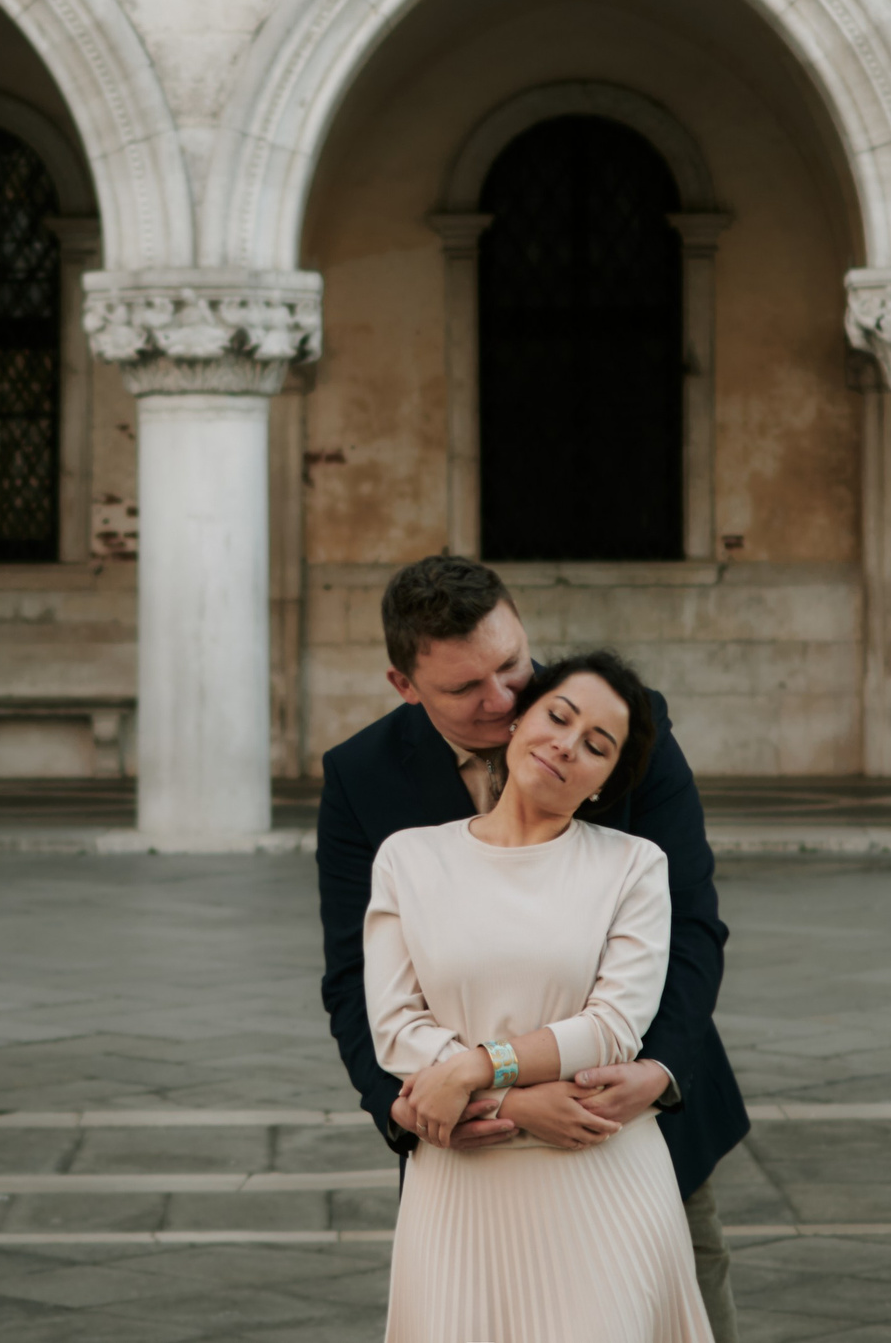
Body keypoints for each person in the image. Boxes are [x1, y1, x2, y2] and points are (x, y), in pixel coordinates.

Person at [319, 555, 748, 1340]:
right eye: (464, 688)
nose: (506, 700)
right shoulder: (360, 777)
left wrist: (657, 1071)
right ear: (405, 686)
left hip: (632, 1117)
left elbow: (690, 925)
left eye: (513, 665)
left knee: (680, 1297)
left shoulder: (619, 718)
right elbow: (358, 984)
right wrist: (470, 1101)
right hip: (465, 1146)